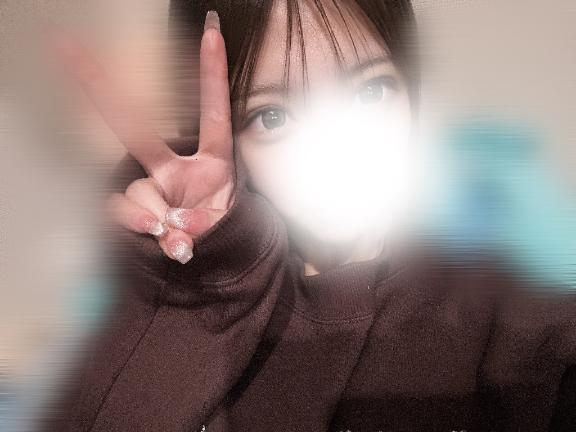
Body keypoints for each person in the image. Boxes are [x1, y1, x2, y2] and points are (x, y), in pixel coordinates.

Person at [47, 1, 576, 431]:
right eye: (272, 115)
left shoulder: (526, 322)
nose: (338, 150)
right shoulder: (203, 305)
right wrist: (189, 283)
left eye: (370, 89)